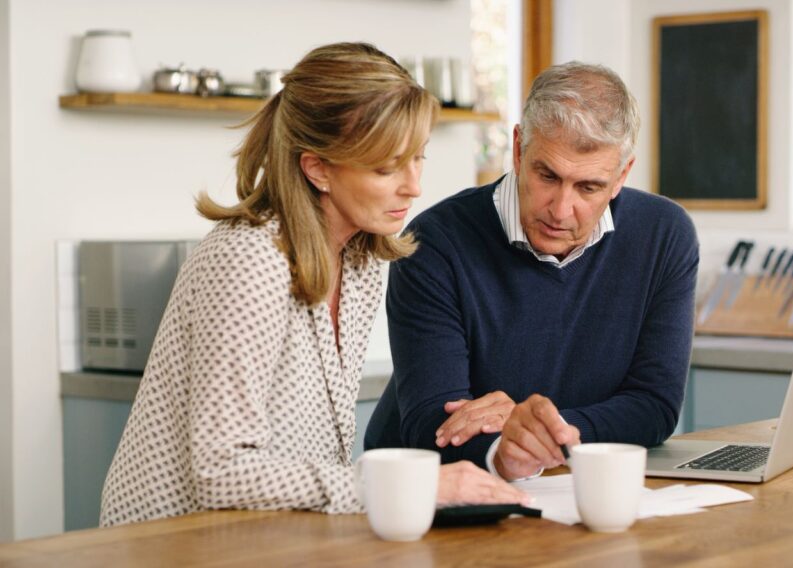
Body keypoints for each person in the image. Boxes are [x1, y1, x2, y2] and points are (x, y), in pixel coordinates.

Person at [100, 42, 527, 527]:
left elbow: (317, 452)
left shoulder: (363, 258)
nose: (414, 186)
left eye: (417, 158)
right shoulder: (249, 259)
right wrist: (408, 486)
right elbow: (219, 473)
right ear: (317, 168)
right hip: (170, 543)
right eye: (386, 167)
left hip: (273, 537)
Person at [364, 62, 699, 481]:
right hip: (423, 494)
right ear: (519, 149)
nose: (561, 210)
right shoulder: (434, 242)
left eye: (588, 187)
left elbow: (653, 407)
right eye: (547, 175)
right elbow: (431, 422)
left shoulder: (664, 235)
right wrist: (510, 448)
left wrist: (538, 432)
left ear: (621, 176)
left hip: (560, 484)